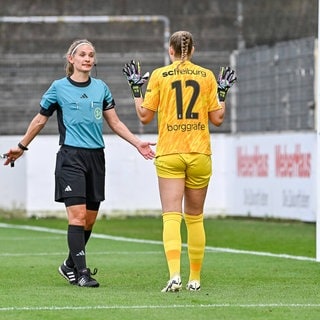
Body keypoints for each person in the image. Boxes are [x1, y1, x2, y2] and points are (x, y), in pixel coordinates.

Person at [4, 39, 155, 288]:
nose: (87, 58)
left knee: (89, 220)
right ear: (71, 59)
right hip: (71, 157)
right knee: (78, 217)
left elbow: (115, 123)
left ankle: (68, 265)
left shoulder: (101, 88)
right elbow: (40, 121)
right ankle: (83, 273)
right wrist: (21, 147)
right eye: (82, 54)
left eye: (91, 55)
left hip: (96, 157)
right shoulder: (58, 88)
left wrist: (137, 143)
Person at [123, 31, 236, 292]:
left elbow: (144, 117)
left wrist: (135, 89)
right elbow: (217, 119)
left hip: (171, 152)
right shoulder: (206, 76)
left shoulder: (160, 75)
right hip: (198, 153)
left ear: (169, 51)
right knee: (195, 218)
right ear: (193, 50)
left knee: (171, 217)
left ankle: (175, 276)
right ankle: (195, 279)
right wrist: (222, 92)